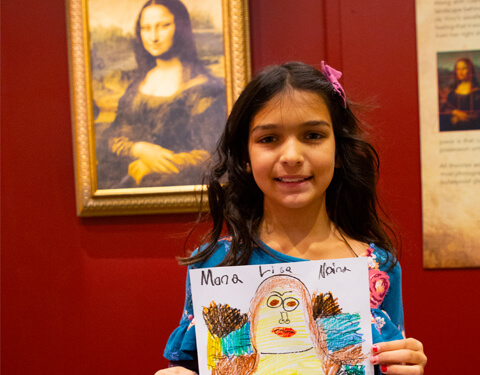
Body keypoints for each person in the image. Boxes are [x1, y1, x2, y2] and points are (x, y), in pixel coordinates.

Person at [156, 62, 427, 374]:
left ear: (339, 150)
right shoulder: (214, 266)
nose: (291, 156)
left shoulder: (377, 267)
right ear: (244, 156)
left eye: (313, 135)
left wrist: (407, 366)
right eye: (269, 139)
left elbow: (388, 362)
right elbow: (191, 364)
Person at [96, 0, 226, 188]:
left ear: (181, 27)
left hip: (177, 184)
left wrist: (158, 162)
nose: (153, 37)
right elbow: (112, 136)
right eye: (146, 28)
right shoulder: (137, 84)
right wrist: (140, 149)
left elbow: (213, 155)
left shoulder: (203, 88)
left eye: (163, 26)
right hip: (125, 182)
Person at [440, 57, 480, 131]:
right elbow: (446, 107)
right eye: (458, 69)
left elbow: (477, 115)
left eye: (464, 68)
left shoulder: (477, 91)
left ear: (470, 70)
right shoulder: (453, 89)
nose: (460, 72)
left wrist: (464, 117)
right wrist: (455, 112)